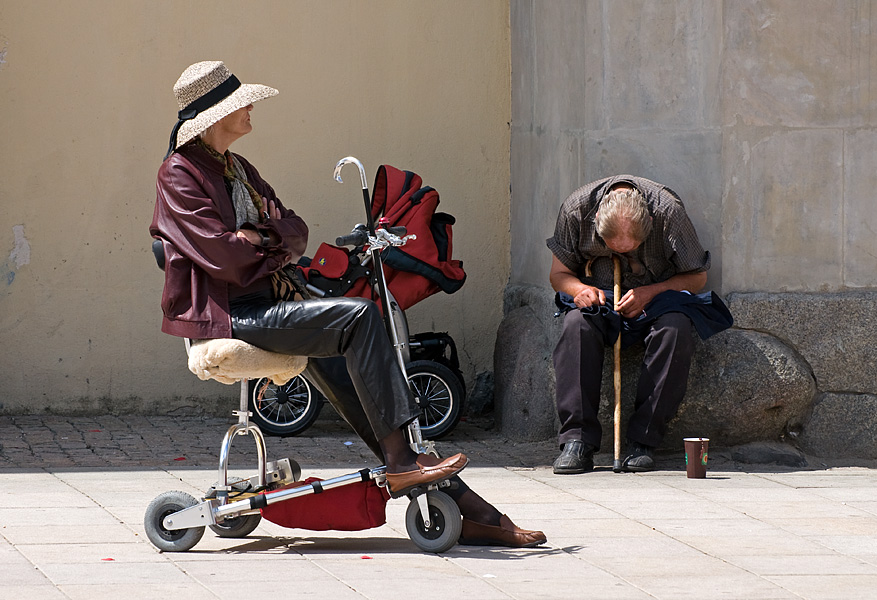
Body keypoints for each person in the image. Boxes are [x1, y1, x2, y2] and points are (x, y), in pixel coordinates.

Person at [151, 61, 545, 547]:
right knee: (360, 316)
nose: (251, 107)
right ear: (215, 116)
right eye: (241, 103)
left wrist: (258, 236)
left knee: (359, 369)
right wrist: (261, 243)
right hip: (235, 314)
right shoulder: (179, 174)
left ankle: (456, 499)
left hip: (276, 301)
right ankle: (405, 465)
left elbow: (296, 230)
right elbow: (224, 259)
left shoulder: (238, 168)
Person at [547, 175, 711, 474]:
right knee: (576, 326)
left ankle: (644, 441)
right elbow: (559, 275)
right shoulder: (576, 210)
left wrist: (652, 292)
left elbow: (697, 277)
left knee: (676, 329)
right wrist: (578, 290)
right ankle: (577, 441)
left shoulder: (668, 212)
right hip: (599, 299)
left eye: (631, 247)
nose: (623, 253)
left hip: (656, 299)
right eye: (614, 247)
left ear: (650, 221)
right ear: (596, 219)